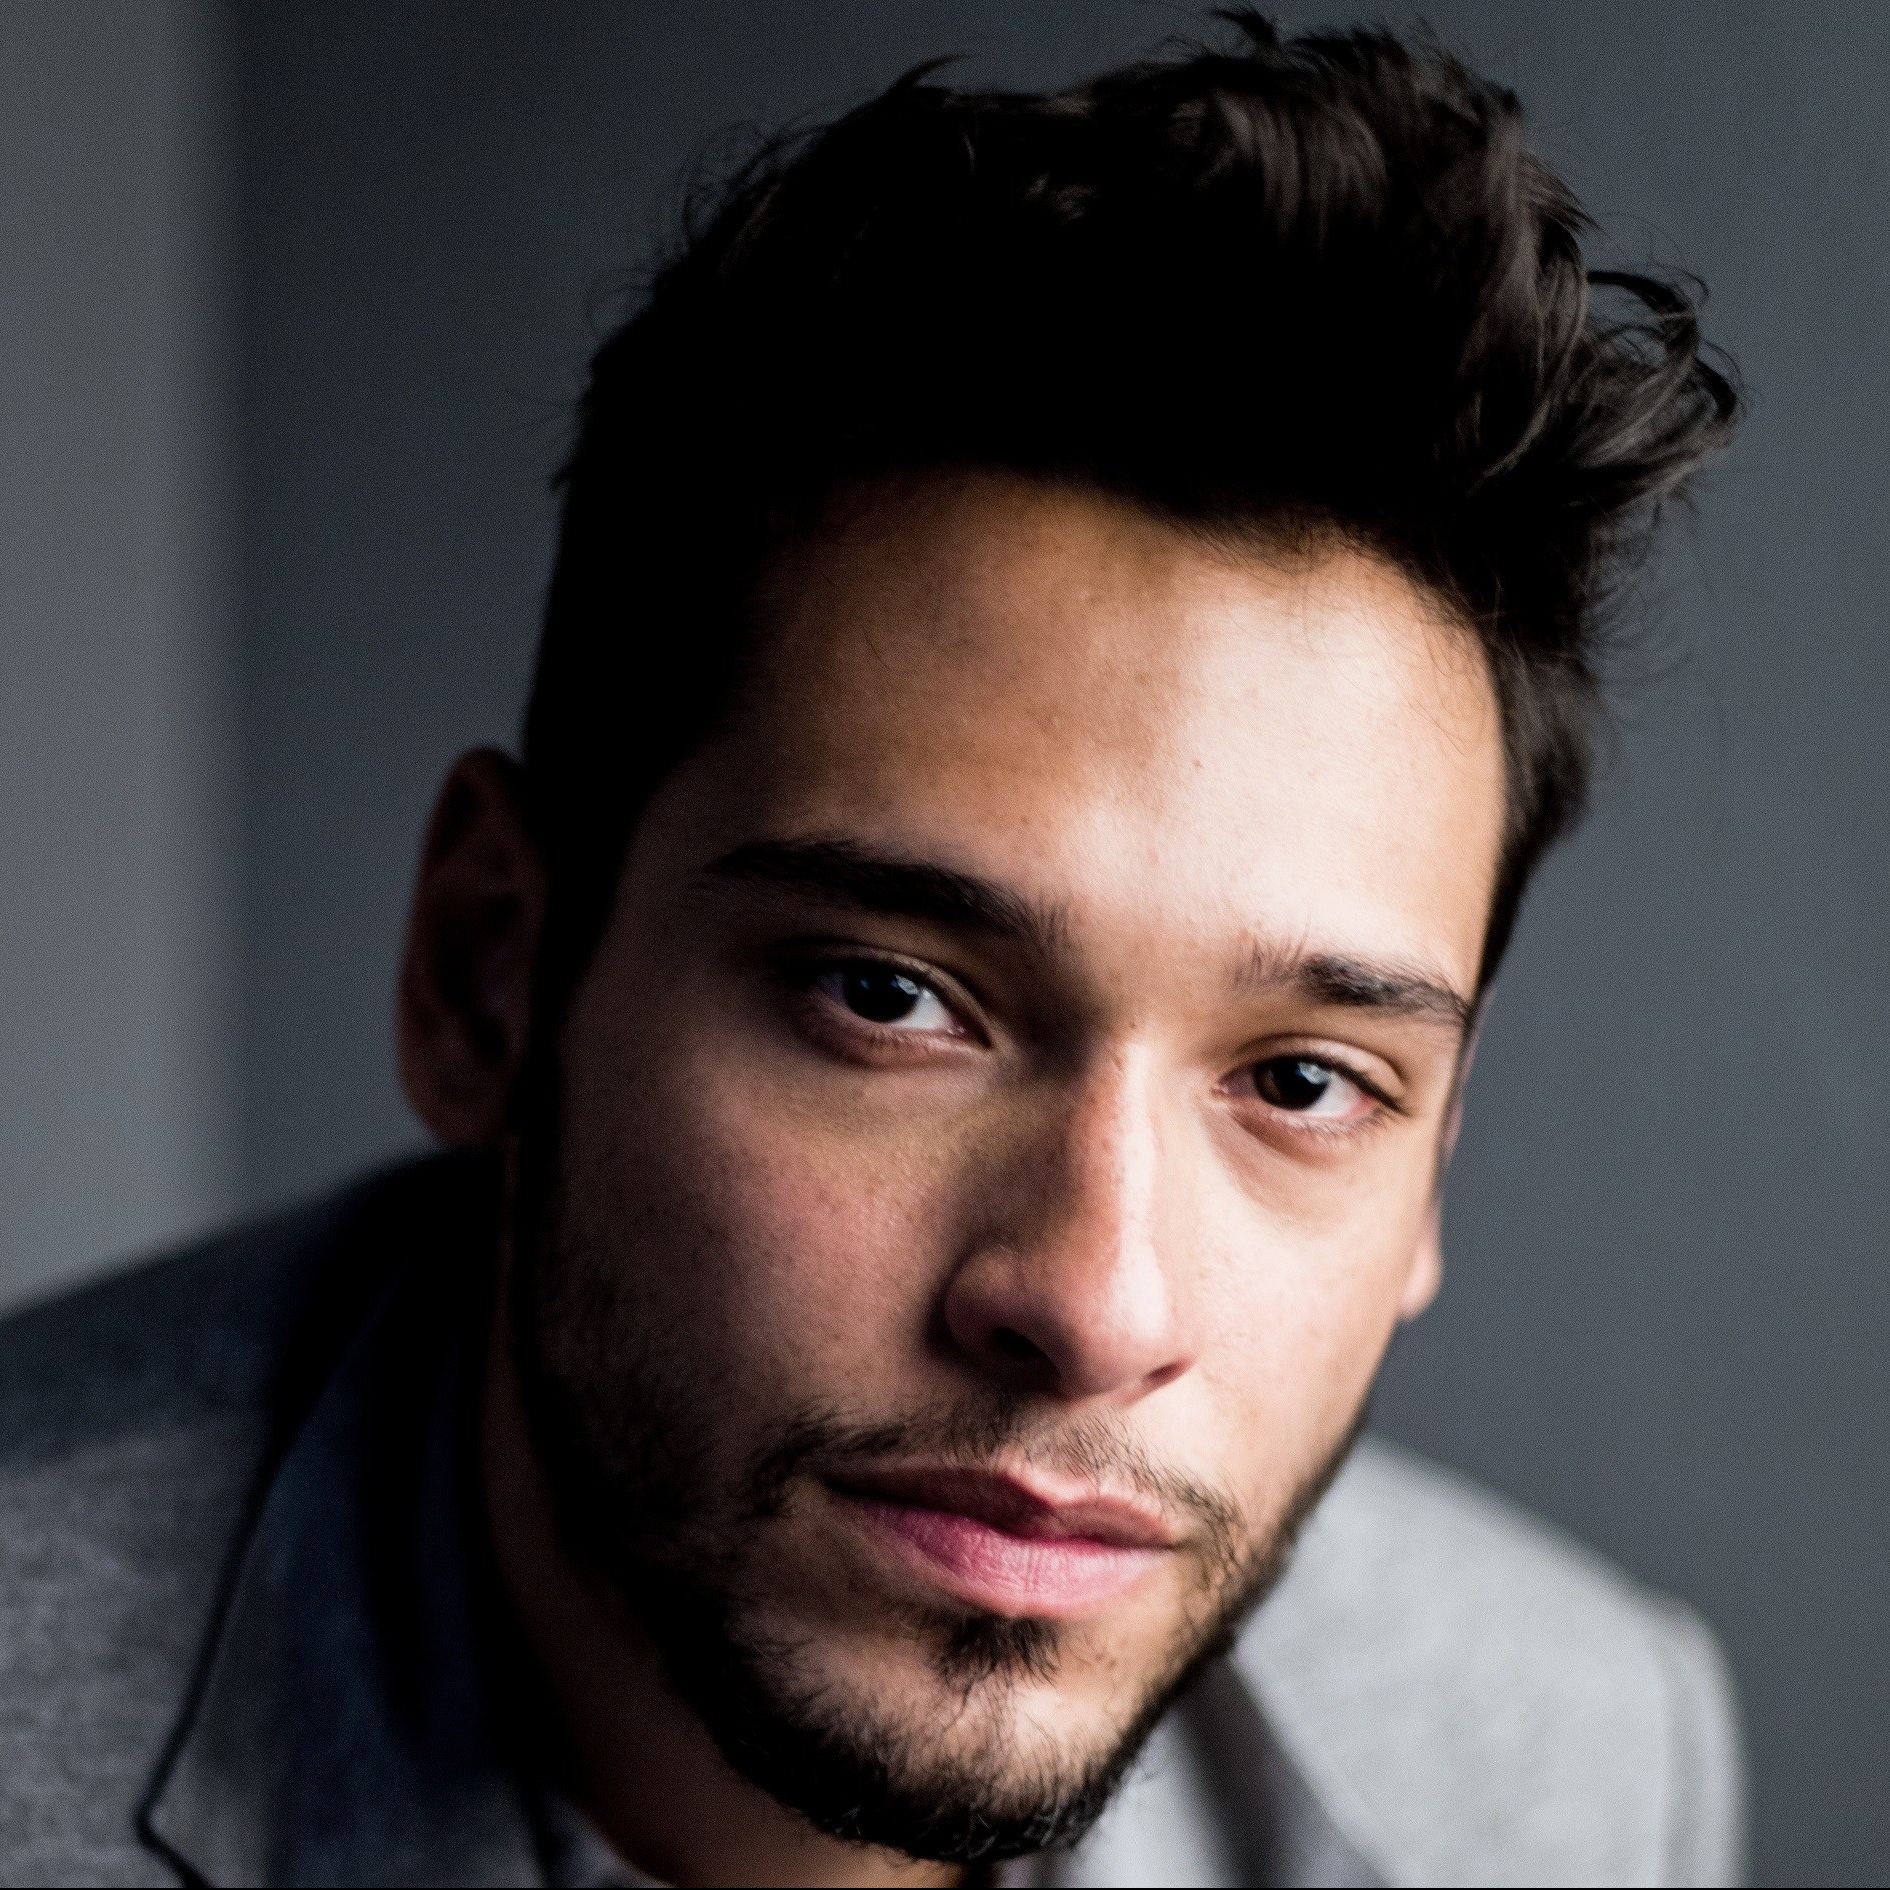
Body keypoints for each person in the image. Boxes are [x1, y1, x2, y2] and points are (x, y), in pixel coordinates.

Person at [0, 15, 1744, 1886]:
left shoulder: (1570, 1764)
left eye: (1303, 1080)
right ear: (489, 975)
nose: (1094, 1304)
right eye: (890, 995)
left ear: (1430, 1174)